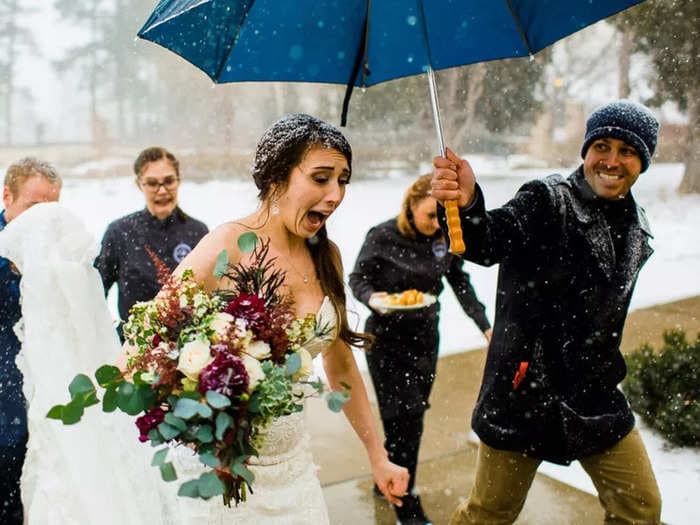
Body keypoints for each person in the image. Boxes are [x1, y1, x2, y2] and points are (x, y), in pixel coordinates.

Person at [156, 113, 409, 523]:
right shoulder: (229, 244)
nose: (336, 195)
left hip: (294, 474)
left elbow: (340, 363)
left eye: (343, 180)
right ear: (277, 178)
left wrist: (378, 456)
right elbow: (149, 336)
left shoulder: (327, 256)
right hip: (221, 476)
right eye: (321, 177)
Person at [431, 100, 663, 525]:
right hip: (524, 394)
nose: (611, 161)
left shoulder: (637, 227)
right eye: (602, 146)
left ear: (643, 162)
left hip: (595, 398)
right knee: (489, 514)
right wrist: (466, 206)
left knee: (641, 508)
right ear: (586, 151)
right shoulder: (547, 200)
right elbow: (487, 241)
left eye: (627, 151)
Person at [0, 202, 173, 525]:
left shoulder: (43, 282)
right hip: (77, 386)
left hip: (55, 390)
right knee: (93, 463)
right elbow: (92, 330)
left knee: (67, 472)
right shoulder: (76, 275)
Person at [349, 173, 492, 525]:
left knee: (414, 415)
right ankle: (405, 502)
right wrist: (372, 298)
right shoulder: (382, 236)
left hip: (425, 340)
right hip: (385, 341)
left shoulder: (444, 238)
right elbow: (357, 279)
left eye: (442, 217)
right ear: (411, 205)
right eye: (431, 215)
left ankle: (387, 476)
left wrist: (486, 326)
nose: (436, 224)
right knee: (402, 420)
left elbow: (460, 281)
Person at [0, 158, 61, 525]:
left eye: (52, 209)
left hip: (46, 374)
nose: (44, 220)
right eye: (34, 208)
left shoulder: (60, 247)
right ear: (7, 195)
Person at [95, 147, 208, 340]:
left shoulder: (198, 232)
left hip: (189, 351)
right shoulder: (119, 233)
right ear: (139, 184)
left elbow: (213, 292)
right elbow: (96, 293)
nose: (162, 190)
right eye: (152, 183)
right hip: (133, 349)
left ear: (179, 180)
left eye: (169, 181)